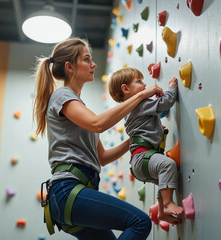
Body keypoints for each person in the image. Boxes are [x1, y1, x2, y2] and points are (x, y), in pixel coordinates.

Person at [33, 38, 164, 240]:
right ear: (70, 67)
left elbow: (101, 157)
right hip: (67, 191)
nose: (93, 64)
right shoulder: (62, 96)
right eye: (87, 59)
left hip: (73, 194)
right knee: (139, 222)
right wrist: (140, 96)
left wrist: (138, 139)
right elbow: (97, 124)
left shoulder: (80, 108)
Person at [108, 67, 183, 225]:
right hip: (144, 158)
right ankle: (168, 204)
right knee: (168, 165)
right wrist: (172, 87)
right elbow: (166, 102)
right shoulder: (140, 104)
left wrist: (157, 131)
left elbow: (144, 129)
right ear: (125, 89)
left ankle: (161, 212)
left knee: (164, 179)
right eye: (139, 82)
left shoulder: (129, 111)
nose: (144, 84)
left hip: (140, 162)